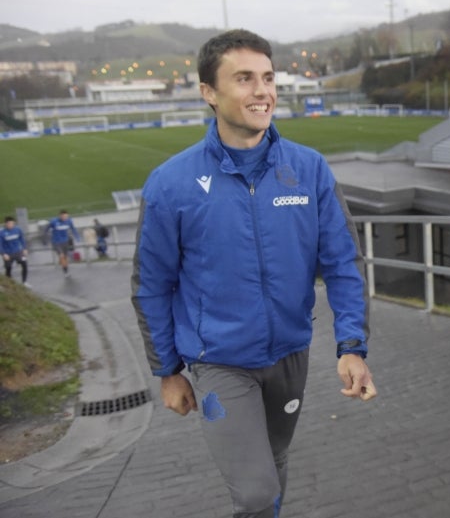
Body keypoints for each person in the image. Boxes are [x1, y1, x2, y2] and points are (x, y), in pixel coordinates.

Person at [131, 28, 376, 518]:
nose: (262, 91)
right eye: (243, 79)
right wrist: (168, 372)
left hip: (290, 353)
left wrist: (352, 347)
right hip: (219, 360)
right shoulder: (171, 184)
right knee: (256, 492)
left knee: (277, 460)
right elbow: (151, 286)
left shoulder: (307, 170)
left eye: (267, 77)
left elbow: (344, 264)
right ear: (209, 93)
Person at [46, 209, 79, 276]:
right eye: (64, 217)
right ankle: (65, 271)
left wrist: (77, 236)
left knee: (66, 257)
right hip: (56, 242)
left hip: (65, 241)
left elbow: (73, 228)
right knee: (62, 256)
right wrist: (45, 238)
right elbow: (47, 228)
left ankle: (65, 269)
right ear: (60, 216)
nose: (65, 218)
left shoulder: (69, 221)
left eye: (66, 217)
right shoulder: (54, 221)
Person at [1, 215, 28, 286]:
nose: (11, 225)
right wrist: (3, 254)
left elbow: (22, 239)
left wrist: (24, 248)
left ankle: (24, 282)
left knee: (24, 265)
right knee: (8, 268)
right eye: (9, 224)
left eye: (12, 223)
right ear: (6, 224)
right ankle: (9, 283)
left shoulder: (18, 230)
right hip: (8, 253)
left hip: (18, 252)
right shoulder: (2, 233)